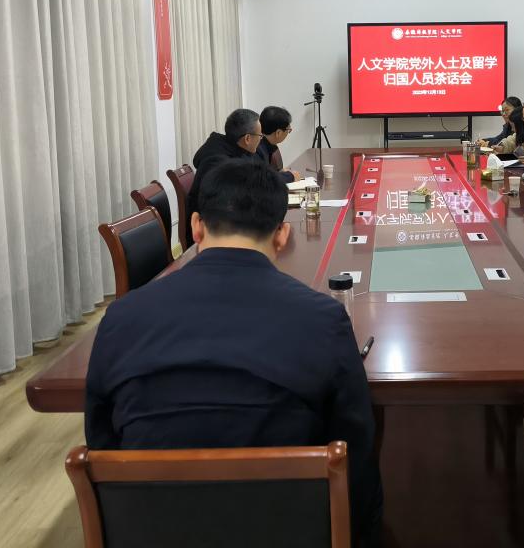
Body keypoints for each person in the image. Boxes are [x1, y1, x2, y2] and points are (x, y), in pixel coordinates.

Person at [86, 158, 382, 545]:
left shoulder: (121, 317)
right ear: (282, 235)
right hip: (286, 529)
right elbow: (354, 445)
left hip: (149, 528)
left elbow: (101, 440)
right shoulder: (322, 318)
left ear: (196, 227)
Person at [186, 108, 263, 245]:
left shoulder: (233, 149)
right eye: (260, 136)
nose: (260, 139)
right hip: (210, 234)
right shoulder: (219, 162)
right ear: (247, 138)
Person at [257, 105, 302, 183]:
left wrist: (279, 173)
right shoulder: (258, 149)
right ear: (278, 133)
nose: (288, 132)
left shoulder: (263, 144)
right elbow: (265, 181)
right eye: (288, 130)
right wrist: (291, 176)